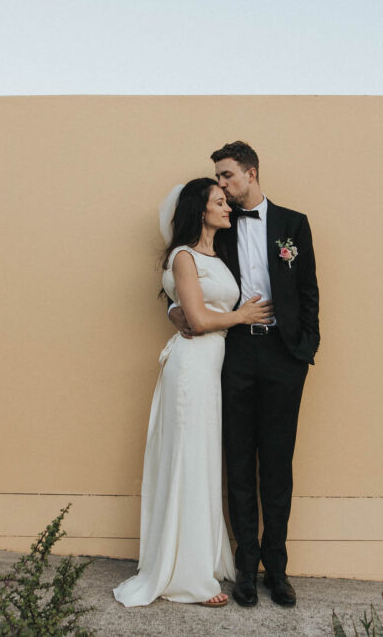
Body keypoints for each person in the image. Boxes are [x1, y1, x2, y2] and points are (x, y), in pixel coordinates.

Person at [170, 142, 320, 607]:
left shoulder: (294, 224)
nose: (222, 185)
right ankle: (245, 571)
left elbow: (309, 288)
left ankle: (278, 569)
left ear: (251, 174)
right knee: (238, 461)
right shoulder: (222, 225)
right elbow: (191, 271)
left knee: (277, 464)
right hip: (234, 354)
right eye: (218, 179)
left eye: (227, 176)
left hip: (282, 355)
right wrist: (177, 309)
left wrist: (305, 348)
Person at [114, 178, 272, 608]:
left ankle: (200, 558)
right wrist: (242, 316)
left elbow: (190, 305)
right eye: (219, 203)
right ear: (199, 211)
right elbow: (199, 320)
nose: (227, 208)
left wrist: (179, 308)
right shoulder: (183, 256)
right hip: (191, 368)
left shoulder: (216, 255)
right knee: (188, 457)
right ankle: (185, 577)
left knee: (202, 459)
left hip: (210, 369)